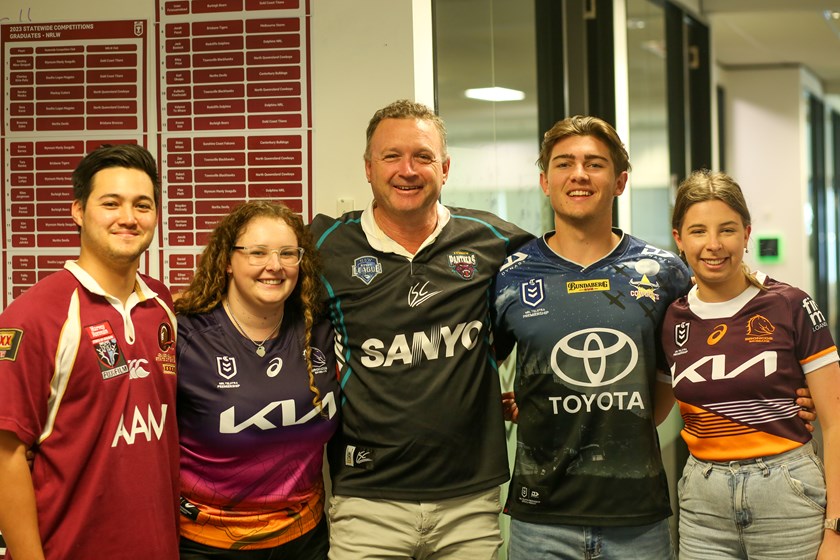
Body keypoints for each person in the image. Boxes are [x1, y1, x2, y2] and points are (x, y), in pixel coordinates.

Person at [309, 99, 533, 559]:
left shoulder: (496, 242)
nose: (407, 170)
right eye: (391, 156)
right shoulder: (324, 247)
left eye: (423, 157)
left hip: (469, 501)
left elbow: (555, 294)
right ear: (368, 168)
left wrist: (538, 387)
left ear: (445, 168)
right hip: (366, 500)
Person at [492, 115, 691, 559]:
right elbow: (470, 365)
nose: (578, 174)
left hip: (637, 517)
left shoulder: (664, 273)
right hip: (540, 517)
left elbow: (701, 355)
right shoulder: (509, 275)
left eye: (594, 164)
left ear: (620, 181)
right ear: (545, 181)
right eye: (564, 164)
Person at [0, 144, 180, 559]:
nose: (128, 218)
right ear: (78, 211)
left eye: (143, 205)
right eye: (111, 203)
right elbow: (6, 455)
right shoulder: (35, 315)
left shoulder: (162, 304)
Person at [661, 170, 840, 559]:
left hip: (786, 495)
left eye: (726, 230)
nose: (713, 245)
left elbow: (836, 419)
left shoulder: (790, 305)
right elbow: (654, 408)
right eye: (697, 231)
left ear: (746, 232)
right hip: (702, 503)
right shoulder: (671, 317)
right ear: (678, 238)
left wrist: (837, 529)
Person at [174, 200, 339, 559]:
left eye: (287, 253)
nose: (274, 266)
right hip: (207, 543)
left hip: (304, 539)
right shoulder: (185, 334)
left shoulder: (320, 329)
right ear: (227, 262)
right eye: (257, 252)